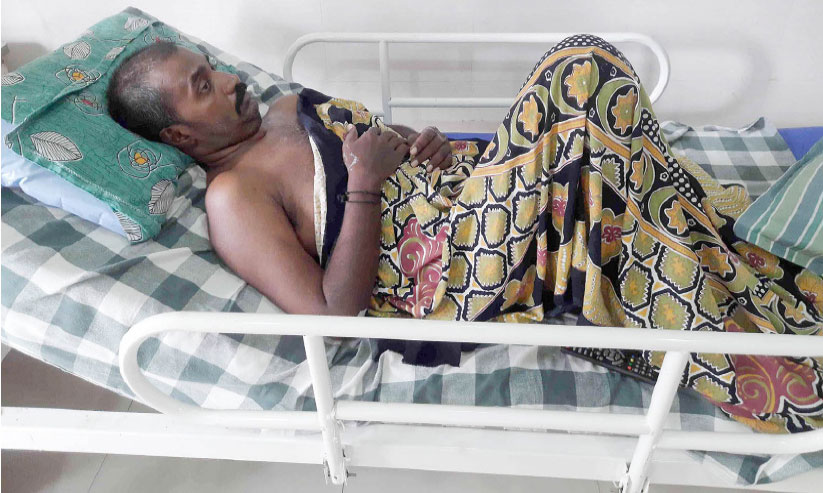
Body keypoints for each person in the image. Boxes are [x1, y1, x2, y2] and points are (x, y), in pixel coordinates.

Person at [108, 35, 823, 433]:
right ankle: (767, 358)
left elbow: (386, 145)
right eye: (203, 86)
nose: (229, 79)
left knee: (590, 100)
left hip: (468, 198)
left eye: (212, 68)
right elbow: (330, 313)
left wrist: (425, 149)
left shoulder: (290, 107)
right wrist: (363, 182)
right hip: (451, 278)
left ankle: (719, 268)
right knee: (582, 91)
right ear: (180, 136)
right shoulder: (235, 197)